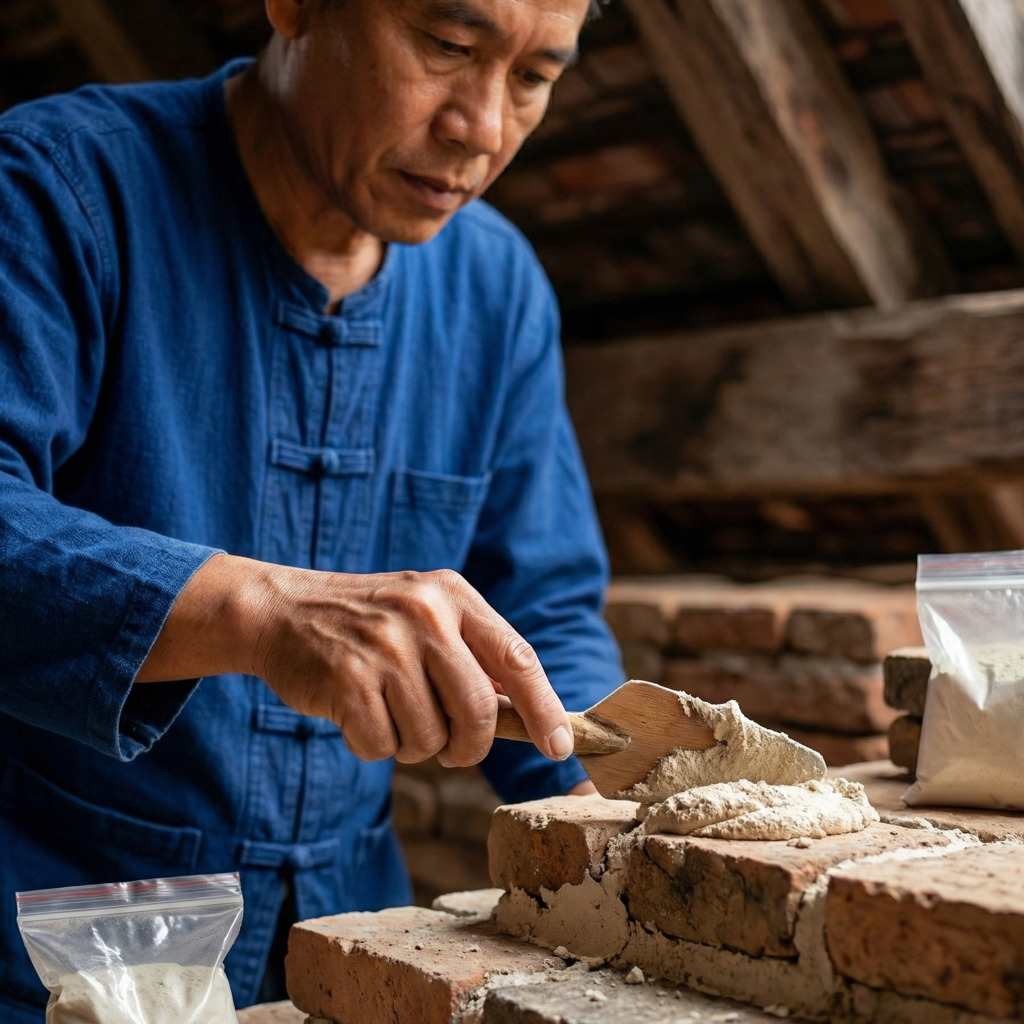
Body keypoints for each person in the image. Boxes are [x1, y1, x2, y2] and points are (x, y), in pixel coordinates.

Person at [0, 0, 621, 1014]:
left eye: (534, 76)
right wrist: (262, 613)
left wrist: (618, 813)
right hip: (49, 943)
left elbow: (541, 607)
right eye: (448, 47)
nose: (484, 127)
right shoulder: (56, 186)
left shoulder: (498, 287)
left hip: (352, 947)